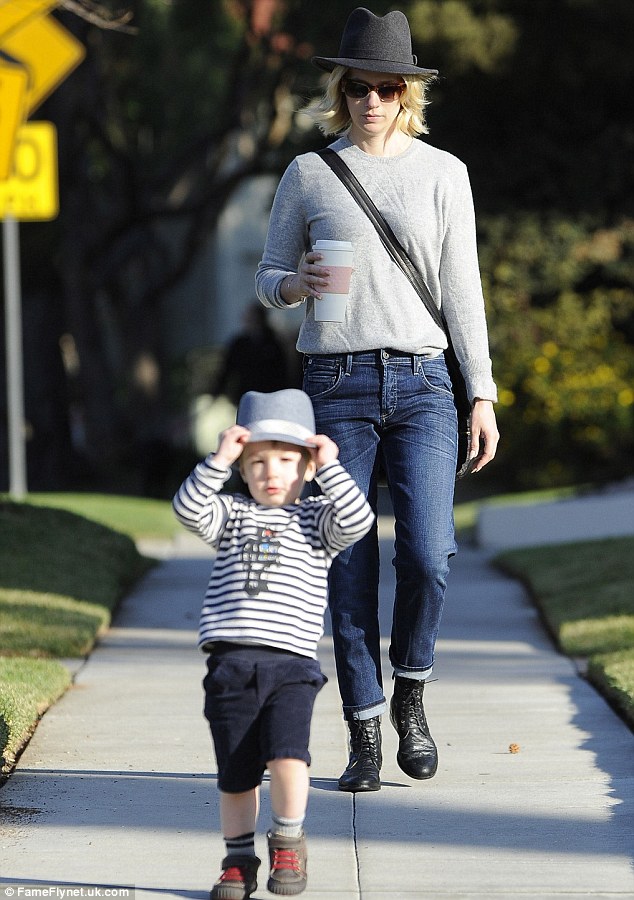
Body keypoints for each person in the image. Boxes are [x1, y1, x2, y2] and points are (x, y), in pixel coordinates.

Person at [255, 7, 500, 793]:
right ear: (342, 90)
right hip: (334, 382)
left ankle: (412, 693)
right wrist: (294, 284)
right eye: (359, 88)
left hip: (426, 384)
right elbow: (267, 277)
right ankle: (364, 730)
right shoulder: (310, 173)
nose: (372, 102)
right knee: (348, 560)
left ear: (408, 94)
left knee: (429, 554)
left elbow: (463, 289)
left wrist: (483, 394)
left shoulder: (444, 173)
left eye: (387, 89)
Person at [173, 388, 374, 899]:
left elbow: (359, 521)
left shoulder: (316, 521)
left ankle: (288, 839)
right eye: (258, 462)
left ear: (305, 468)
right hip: (230, 665)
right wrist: (218, 459)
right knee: (237, 775)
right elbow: (188, 509)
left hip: (290, 667)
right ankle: (238, 861)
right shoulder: (233, 515)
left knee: (289, 757)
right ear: (244, 469)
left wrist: (330, 466)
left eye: (286, 460)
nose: (271, 472)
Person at [211, 303, 294, 405]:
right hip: (246, 395)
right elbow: (227, 369)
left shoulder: (273, 342)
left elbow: (283, 371)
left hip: (271, 395)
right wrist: (216, 392)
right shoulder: (239, 344)